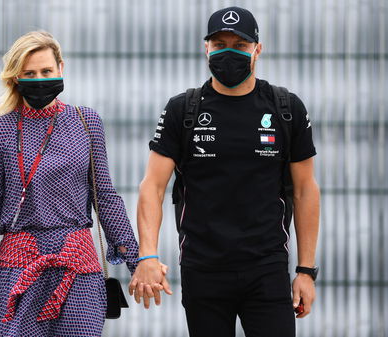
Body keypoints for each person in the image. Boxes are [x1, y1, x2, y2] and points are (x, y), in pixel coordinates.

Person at [129, 6, 320, 337]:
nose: (228, 52)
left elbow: (305, 190)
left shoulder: (285, 108)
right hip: (203, 270)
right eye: (219, 45)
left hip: (267, 268)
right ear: (206, 48)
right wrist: (147, 255)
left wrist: (305, 271)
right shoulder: (182, 110)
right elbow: (153, 187)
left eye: (240, 45)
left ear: (257, 50)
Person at [0, 31, 146, 337]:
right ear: (15, 78)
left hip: (79, 263)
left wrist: (136, 261)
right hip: (20, 265)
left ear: (61, 68)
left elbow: (105, 197)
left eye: (46, 71)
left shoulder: (86, 122)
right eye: (29, 73)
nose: (39, 79)